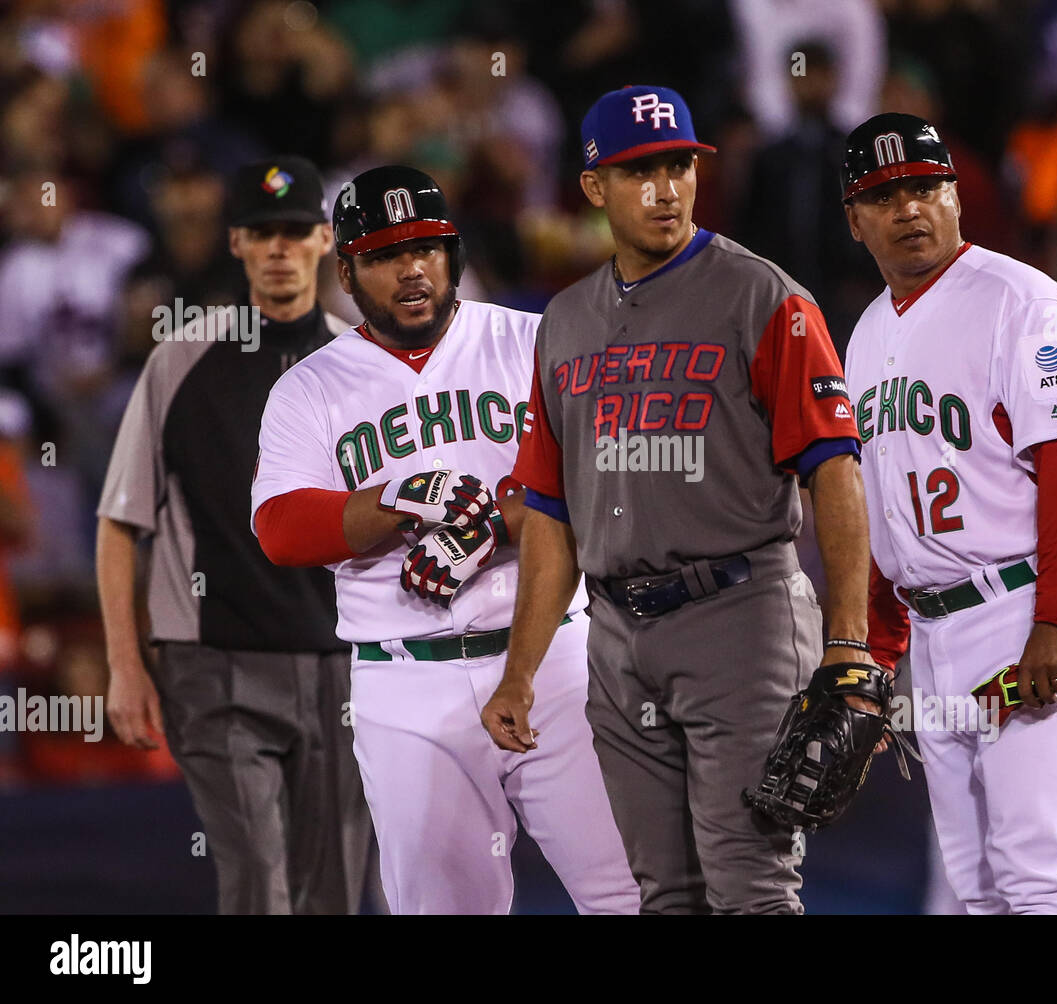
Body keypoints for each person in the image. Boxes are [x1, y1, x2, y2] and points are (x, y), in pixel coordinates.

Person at [481, 85, 874, 914]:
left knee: (751, 888)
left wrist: (848, 642)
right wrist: (518, 674)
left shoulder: (763, 296)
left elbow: (835, 469)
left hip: (741, 617)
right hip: (618, 633)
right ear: (593, 188)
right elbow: (550, 513)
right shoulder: (566, 321)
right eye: (639, 172)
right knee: (661, 895)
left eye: (679, 167)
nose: (666, 189)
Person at [250, 165, 639, 915]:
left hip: (556, 659)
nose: (412, 270)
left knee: (633, 893)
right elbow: (281, 528)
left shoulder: (535, 341)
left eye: (427, 248)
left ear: (453, 252)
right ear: (347, 269)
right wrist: (395, 498)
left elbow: (609, 476)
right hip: (405, 682)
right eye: (386, 255)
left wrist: (490, 525)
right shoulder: (310, 386)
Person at [839, 112, 1057, 914]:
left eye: (926, 187)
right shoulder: (862, 338)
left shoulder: (1021, 301)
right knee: (975, 895)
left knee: (1037, 880)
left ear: (957, 196)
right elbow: (885, 520)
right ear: (854, 220)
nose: (909, 209)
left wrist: (1056, 620)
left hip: (1026, 608)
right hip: (934, 635)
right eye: (884, 194)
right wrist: (877, 657)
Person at [96, 156, 371, 914]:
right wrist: (126, 664)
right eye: (262, 233)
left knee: (339, 891)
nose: (279, 250)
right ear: (237, 244)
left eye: (294, 232)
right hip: (212, 665)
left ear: (325, 241)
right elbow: (122, 520)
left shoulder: (367, 368)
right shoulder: (181, 360)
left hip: (342, 664)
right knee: (258, 881)